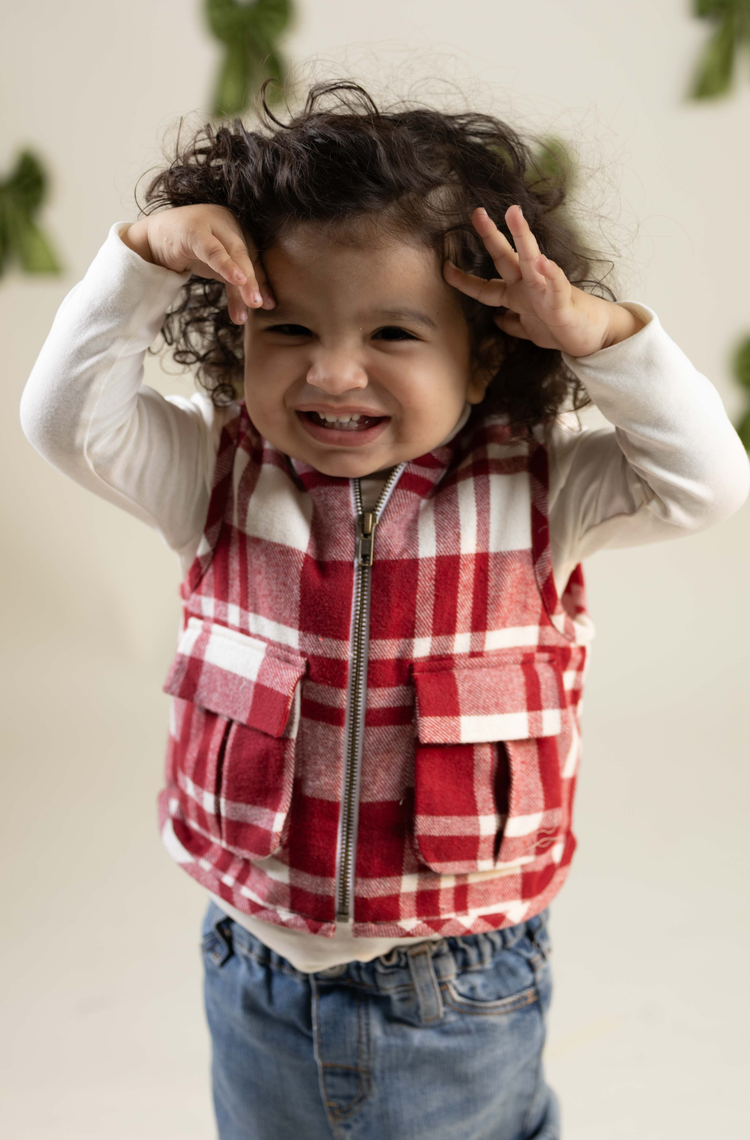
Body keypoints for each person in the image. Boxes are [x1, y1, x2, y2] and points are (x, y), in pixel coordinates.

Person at [20, 79, 750, 1140]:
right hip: (256, 967)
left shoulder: (546, 490)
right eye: (290, 327)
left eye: (395, 334)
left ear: (489, 346)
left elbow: (710, 482)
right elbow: (62, 420)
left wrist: (600, 335)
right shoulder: (213, 471)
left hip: (458, 988)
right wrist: (140, 257)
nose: (333, 371)